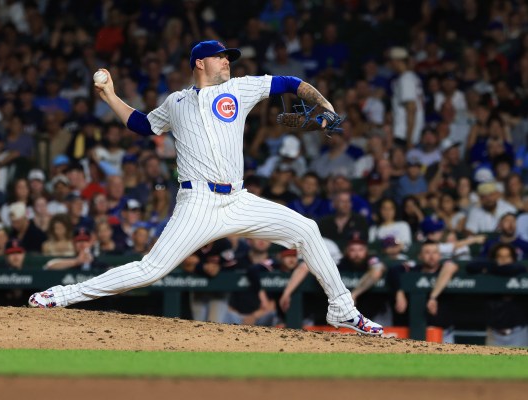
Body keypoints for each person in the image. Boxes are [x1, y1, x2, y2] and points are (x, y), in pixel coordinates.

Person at [28, 40, 383, 335]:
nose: (228, 61)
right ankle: (62, 294)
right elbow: (141, 124)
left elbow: (290, 83)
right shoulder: (176, 102)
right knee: (151, 269)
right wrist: (109, 94)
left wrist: (325, 105)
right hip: (197, 202)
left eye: (229, 57)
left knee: (307, 229)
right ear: (200, 62)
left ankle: (342, 309)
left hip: (239, 199)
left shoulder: (239, 88)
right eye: (221, 57)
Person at [388, 241, 459, 342]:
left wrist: (433, 297)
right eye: (427, 252)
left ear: (439, 255)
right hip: (414, 330)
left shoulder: (444, 268)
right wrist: (399, 292)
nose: (431, 256)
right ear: (420, 256)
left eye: (435, 252)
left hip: (443, 331)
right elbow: (394, 270)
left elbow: (451, 266)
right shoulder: (414, 270)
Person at [466, 243, 528, 347]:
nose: (504, 259)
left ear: (513, 258)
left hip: (518, 333)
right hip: (494, 335)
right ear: (494, 258)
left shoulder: (519, 271)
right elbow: (470, 266)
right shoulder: (491, 272)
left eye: (507, 256)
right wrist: (493, 265)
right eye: (500, 256)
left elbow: (517, 268)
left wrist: (491, 269)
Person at [388, 47, 424, 148]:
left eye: (391, 61)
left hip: (405, 135)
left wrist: (409, 140)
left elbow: (411, 109)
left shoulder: (406, 79)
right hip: (410, 135)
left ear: (398, 61)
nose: (390, 64)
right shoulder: (412, 77)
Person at [44, 228, 109, 271]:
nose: (82, 243)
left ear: (90, 243)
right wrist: (77, 261)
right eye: (79, 241)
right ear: (74, 244)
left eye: (85, 240)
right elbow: (49, 265)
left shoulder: (99, 261)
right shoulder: (70, 261)